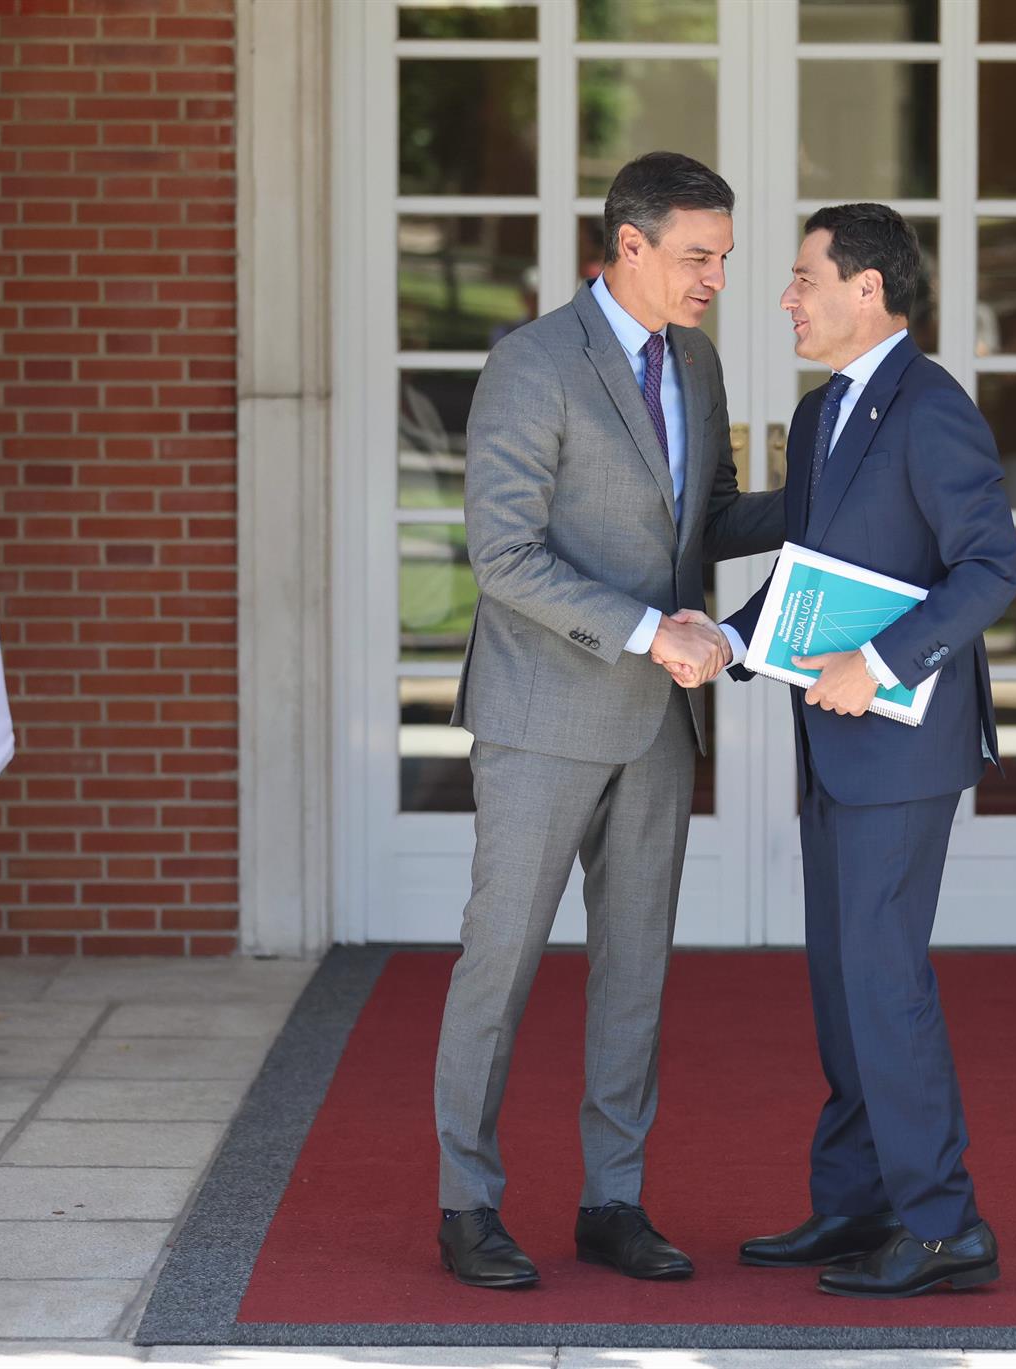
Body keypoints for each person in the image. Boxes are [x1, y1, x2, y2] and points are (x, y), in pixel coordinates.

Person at [435, 151, 784, 1290]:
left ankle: (612, 1201)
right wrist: (650, 630)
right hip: (543, 714)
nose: (715, 279)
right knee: (503, 963)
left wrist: (838, 486)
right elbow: (503, 554)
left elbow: (712, 517)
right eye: (697, 257)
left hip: (657, 729)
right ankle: (467, 1204)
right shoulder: (531, 363)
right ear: (628, 246)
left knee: (635, 972)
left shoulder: (699, 360)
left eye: (725, 259)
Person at [690, 203, 1016, 1298]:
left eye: (802, 278)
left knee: (885, 981)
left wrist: (878, 664)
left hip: (902, 748)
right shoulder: (822, 408)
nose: (785, 297)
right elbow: (811, 565)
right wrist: (730, 637)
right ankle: (857, 1204)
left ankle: (943, 1226)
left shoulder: (933, 411)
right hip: (833, 745)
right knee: (842, 983)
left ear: (867, 290)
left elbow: (989, 571)